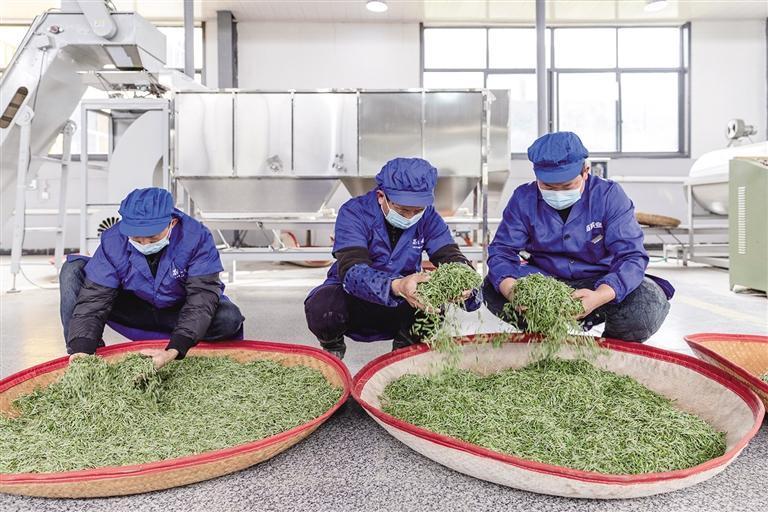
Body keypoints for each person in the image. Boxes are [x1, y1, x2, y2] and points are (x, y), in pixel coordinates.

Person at [483, 131, 674, 342]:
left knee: (647, 304)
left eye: (567, 186)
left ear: (585, 171)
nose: (558, 193)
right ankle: (545, 339)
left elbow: (632, 256)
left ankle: (609, 351)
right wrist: (512, 291)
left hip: (599, 281)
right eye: (548, 186)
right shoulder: (524, 198)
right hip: (545, 281)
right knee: (493, 288)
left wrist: (600, 295)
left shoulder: (608, 196)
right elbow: (502, 251)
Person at [304, 157, 482, 359]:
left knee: (433, 306)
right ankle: (333, 348)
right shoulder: (354, 212)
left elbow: (450, 254)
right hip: (354, 299)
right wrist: (397, 285)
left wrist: (466, 282)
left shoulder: (428, 217)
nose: (410, 217)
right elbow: (352, 269)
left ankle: (403, 357)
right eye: (403, 210)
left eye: (417, 210)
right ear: (382, 196)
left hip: (405, 300)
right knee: (323, 306)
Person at [60, 187, 245, 368]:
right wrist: (82, 348)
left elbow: (202, 297)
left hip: (179, 310)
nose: (144, 243)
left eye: (152, 238)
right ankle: (87, 359)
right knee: (72, 270)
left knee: (228, 317)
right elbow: (95, 298)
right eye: (136, 238)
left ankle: (183, 339)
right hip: (137, 308)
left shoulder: (196, 237)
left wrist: (174, 349)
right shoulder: (114, 240)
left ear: (172, 223)